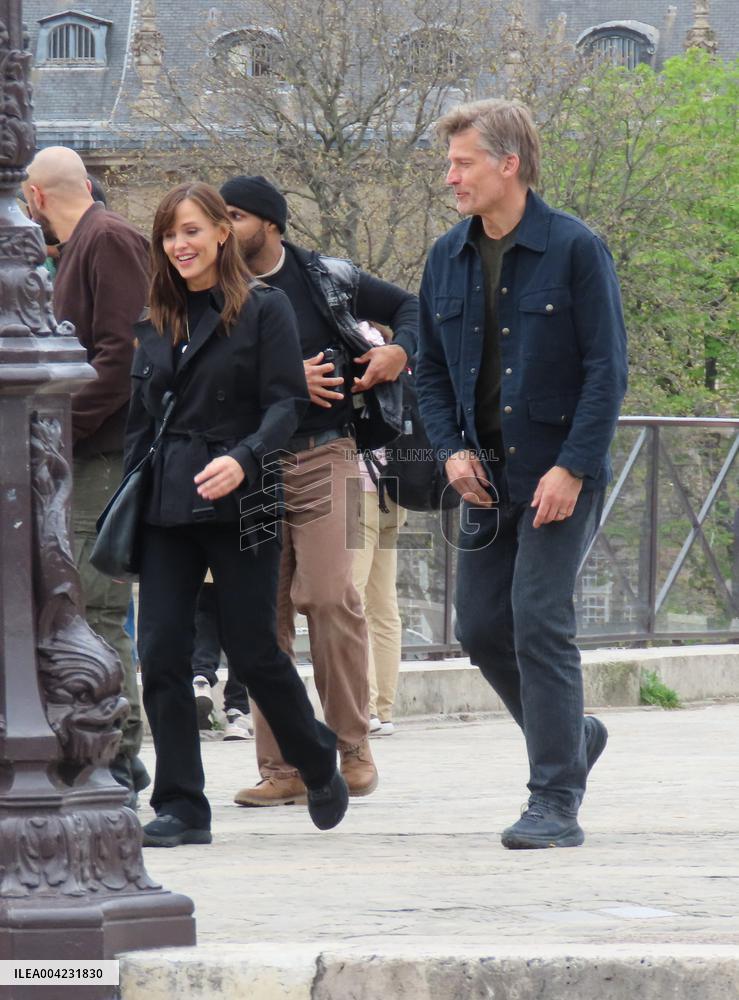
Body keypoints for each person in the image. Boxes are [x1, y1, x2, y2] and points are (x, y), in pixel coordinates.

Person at [416, 99, 627, 850]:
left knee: (537, 619)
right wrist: (448, 450)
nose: (451, 178)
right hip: (483, 477)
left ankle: (553, 799)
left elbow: (608, 370)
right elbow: (430, 373)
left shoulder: (573, 248)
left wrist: (572, 467)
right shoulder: (445, 257)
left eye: (463, 162)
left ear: (508, 164)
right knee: (478, 626)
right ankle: (572, 736)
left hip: (558, 474)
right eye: (450, 164)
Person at [124, 181, 348, 846]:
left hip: (244, 498)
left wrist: (246, 459)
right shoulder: (158, 313)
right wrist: (130, 513)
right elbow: (143, 420)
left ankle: (314, 757)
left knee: (254, 652)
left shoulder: (263, 308)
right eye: (168, 234)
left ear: (222, 232)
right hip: (167, 505)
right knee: (160, 654)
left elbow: (286, 405)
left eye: (190, 230)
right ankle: (183, 807)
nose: (179, 245)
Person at [217, 175, 418, 807]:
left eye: (235, 215)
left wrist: (397, 353)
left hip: (327, 453)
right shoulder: (212, 286)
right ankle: (283, 770)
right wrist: (278, 378)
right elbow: (192, 372)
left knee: (331, 595)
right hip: (250, 465)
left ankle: (352, 749)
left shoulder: (325, 275)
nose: (223, 227)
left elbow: (414, 307)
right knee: (261, 615)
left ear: (271, 224)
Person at [23, 147, 151, 808]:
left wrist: (59, 429)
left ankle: (119, 754)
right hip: (85, 452)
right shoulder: (81, 246)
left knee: (96, 601)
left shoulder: (106, 240)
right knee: (85, 600)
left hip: (103, 452)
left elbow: (121, 353)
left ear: (36, 197)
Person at [352, 323, 407, 736]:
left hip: (357, 490)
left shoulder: (351, 345)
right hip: (398, 487)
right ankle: (384, 709)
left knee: (349, 602)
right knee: (383, 605)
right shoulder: (392, 348)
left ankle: (363, 708)